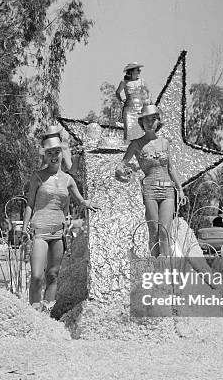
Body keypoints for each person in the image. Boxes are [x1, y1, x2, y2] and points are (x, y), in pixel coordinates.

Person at [23, 133, 97, 312]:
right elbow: (30, 204)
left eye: (57, 151)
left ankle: (47, 315)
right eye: (50, 153)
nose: (54, 156)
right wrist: (25, 226)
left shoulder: (68, 179)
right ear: (45, 156)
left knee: (53, 275)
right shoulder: (37, 176)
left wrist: (89, 203)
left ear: (62, 154)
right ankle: (33, 314)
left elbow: (81, 200)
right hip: (39, 230)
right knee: (37, 276)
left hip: (59, 232)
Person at [116, 104, 184, 257]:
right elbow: (122, 164)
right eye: (146, 119)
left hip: (168, 191)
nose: (150, 122)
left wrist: (180, 189)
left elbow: (171, 168)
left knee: (164, 232)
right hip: (150, 191)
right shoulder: (136, 144)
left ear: (158, 121)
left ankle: (166, 270)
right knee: (154, 231)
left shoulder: (165, 143)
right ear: (141, 122)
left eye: (153, 119)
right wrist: (121, 171)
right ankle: (155, 267)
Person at [115, 62, 150, 141]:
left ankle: (138, 148)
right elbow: (117, 93)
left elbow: (147, 92)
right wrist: (121, 100)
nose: (139, 71)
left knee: (140, 129)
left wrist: (146, 100)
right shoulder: (124, 82)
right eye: (137, 70)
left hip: (140, 110)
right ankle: (127, 148)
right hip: (128, 109)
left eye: (139, 70)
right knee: (128, 129)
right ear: (131, 71)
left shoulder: (142, 81)